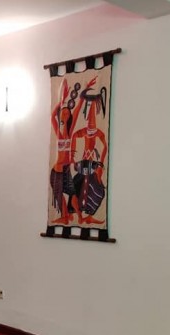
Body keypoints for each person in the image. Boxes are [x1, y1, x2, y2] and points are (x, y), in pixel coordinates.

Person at [49, 76, 97, 225]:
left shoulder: (69, 133)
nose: (65, 113)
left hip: (64, 170)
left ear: (69, 116)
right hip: (57, 169)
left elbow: (77, 109)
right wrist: (61, 101)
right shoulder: (59, 133)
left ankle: (78, 217)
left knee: (71, 192)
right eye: (63, 112)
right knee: (60, 193)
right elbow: (52, 117)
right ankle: (66, 217)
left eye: (67, 112)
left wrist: (85, 89)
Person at [70, 86, 108, 225]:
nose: (90, 132)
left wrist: (101, 164)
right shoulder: (84, 132)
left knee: (96, 190)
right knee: (76, 189)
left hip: (92, 164)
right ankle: (80, 215)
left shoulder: (98, 133)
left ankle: (88, 214)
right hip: (84, 163)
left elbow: (105, 147)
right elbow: (74, 136)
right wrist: (72, 157)